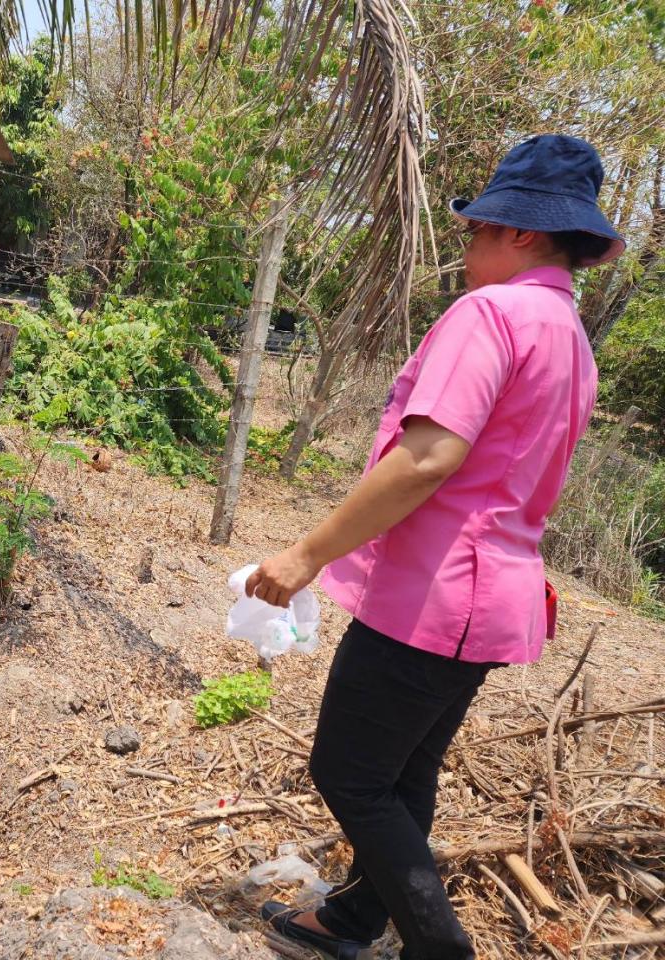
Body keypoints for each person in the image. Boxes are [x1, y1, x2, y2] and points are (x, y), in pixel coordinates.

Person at [250, 134, 624, 959]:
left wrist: (306, 553)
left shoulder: (490, 314)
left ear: (522, 232)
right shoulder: (568, 334)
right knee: (401, 775)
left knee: (348, 774)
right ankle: (353, 920)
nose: (468, 245)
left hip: (434, 596)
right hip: (493, 600)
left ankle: (439, 949)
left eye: (477, 229)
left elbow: (427, 458)